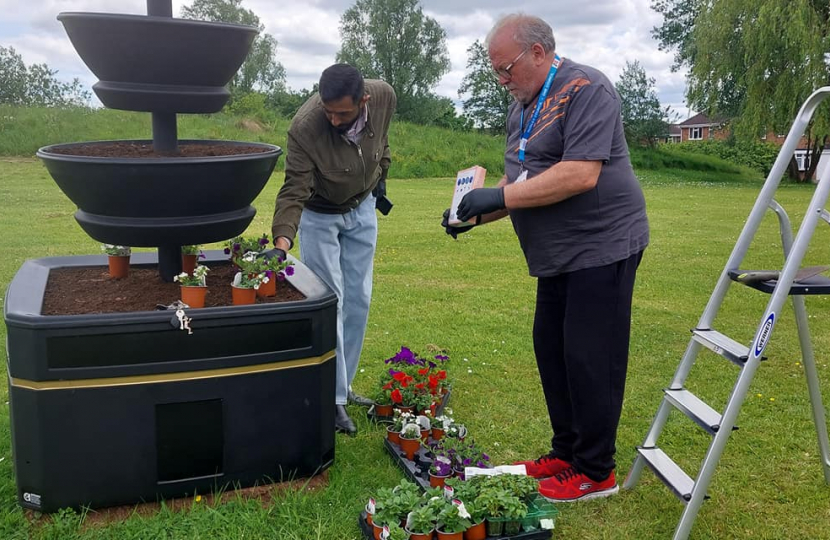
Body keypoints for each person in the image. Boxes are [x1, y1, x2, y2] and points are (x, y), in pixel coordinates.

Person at [444, 14, 649, 502]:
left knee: (589, 356)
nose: (501, 79)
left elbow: (580, 174)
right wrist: (471, 213)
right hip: (557, 255)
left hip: (602, 245)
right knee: (552, 350)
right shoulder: (522, 107)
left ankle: (596, 471)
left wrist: (499, 201)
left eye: (506, 68)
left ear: (539, 53)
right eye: (495, 70)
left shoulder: (587, 89)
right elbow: (520, 184)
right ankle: (567, 451)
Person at [271, 64, 396, 436]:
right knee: (332, 302)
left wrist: (381, 173)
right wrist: (281, 244)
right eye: (328, 110)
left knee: (359, 299)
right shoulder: (306, 127)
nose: (334, 118)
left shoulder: (385, 94)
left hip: (362, 206)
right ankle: (332, 398)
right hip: (319, 214)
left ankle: (345, 387)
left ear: (364, 100)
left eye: (343, 112)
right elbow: (294, 188)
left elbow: (382, 138)